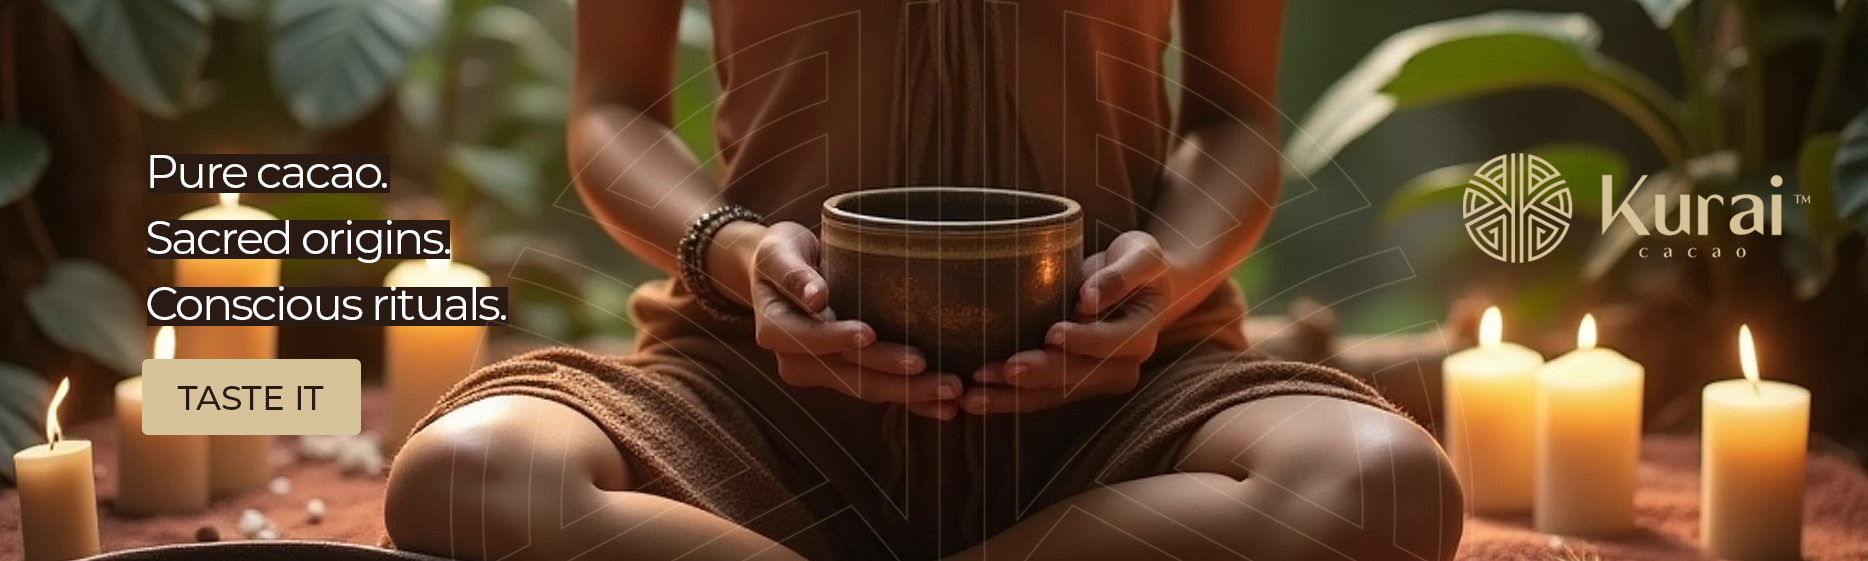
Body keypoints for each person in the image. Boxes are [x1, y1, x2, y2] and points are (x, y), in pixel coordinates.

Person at [384, 1, 1463, 560]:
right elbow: (611, 110)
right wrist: (737, 252)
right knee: (467, 473)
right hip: (757, 384)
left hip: (1112, 395)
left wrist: (1164, 282)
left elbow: (1233, 122)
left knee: (1378, 481)